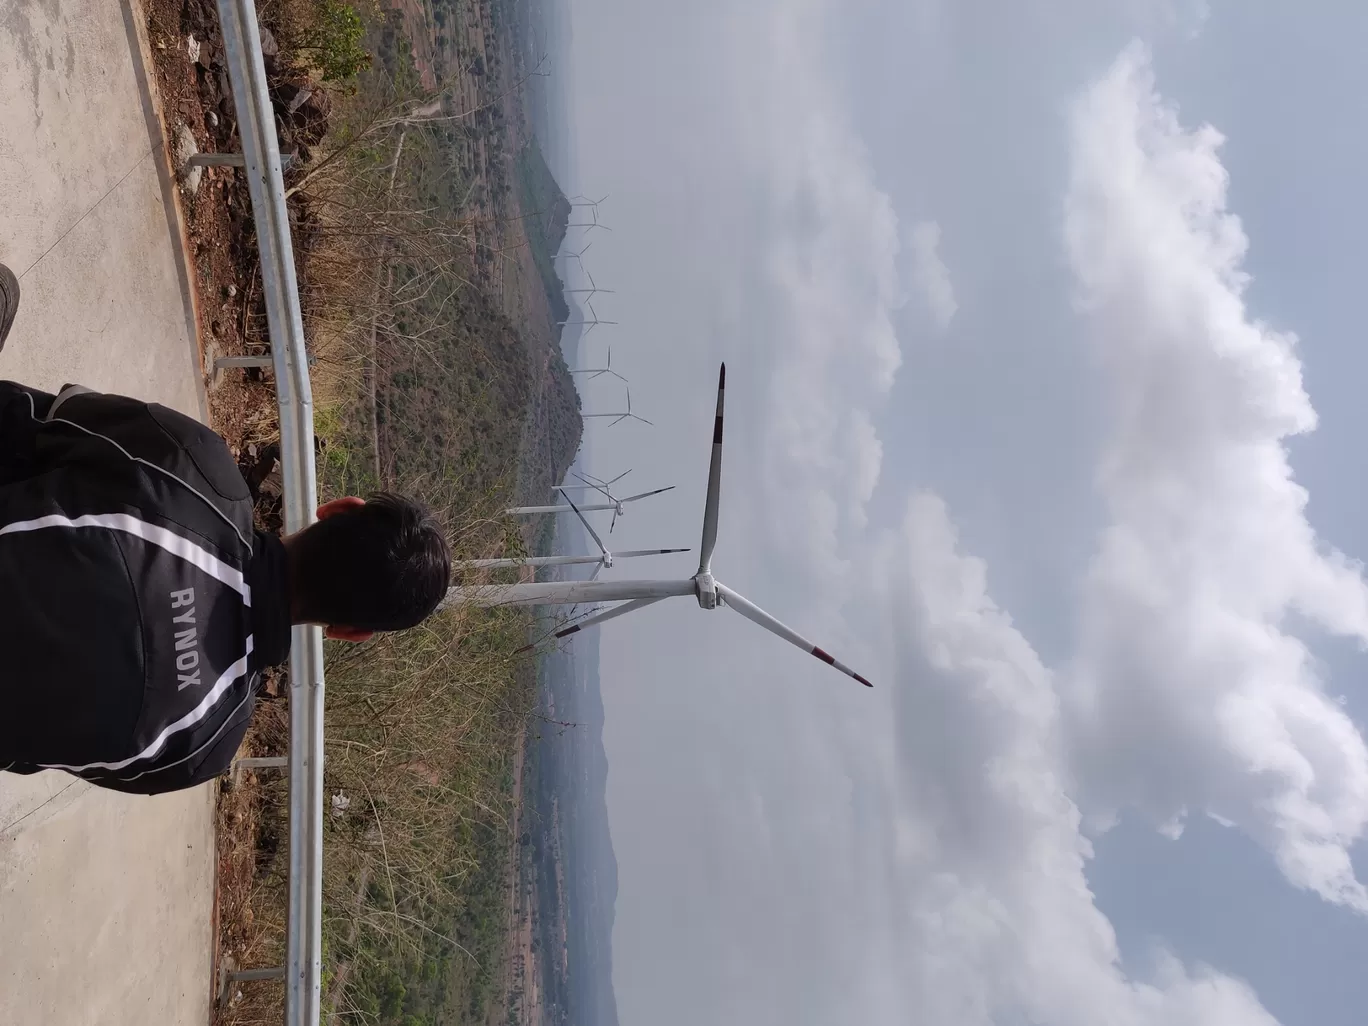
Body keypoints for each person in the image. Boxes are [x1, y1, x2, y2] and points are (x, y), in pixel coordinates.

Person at [0, 263, 451, 795]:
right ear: (348, 631)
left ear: (336, 508)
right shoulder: (205, 745)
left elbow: (23, 423)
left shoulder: (196, 467)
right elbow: (32, 753)